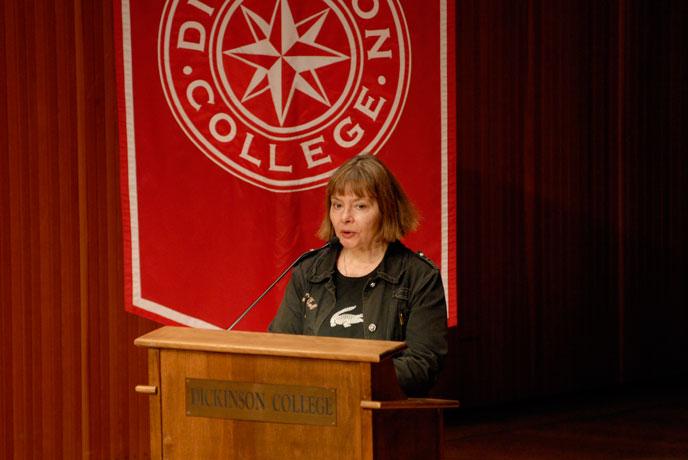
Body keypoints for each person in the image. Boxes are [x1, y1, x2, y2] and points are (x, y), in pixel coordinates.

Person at [269, 154, 447, 397]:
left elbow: (422, 365)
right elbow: (280, 348)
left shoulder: (418, 277)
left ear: (386, 210)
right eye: (337, 204)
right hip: (312, 412)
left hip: (382, 418)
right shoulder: (309, 272)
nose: (345, 217)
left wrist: (348, 381)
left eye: (360, 206)